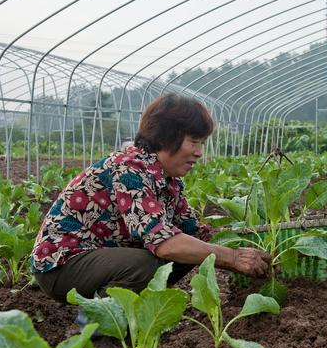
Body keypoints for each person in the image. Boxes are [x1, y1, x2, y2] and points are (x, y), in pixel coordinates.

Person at [31, 93, 271, 304]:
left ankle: (131, 312)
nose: (199, 152)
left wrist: (248, 248)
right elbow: (164, 243)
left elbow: (194, 233)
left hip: (102, 259)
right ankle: (100, 326)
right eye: (194, 142)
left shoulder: (169, 180)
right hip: (61, 266)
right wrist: (232, 258)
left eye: (202, 143)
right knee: (145, 264)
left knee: (192, 245)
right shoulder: (129, 169)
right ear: (168, 137)